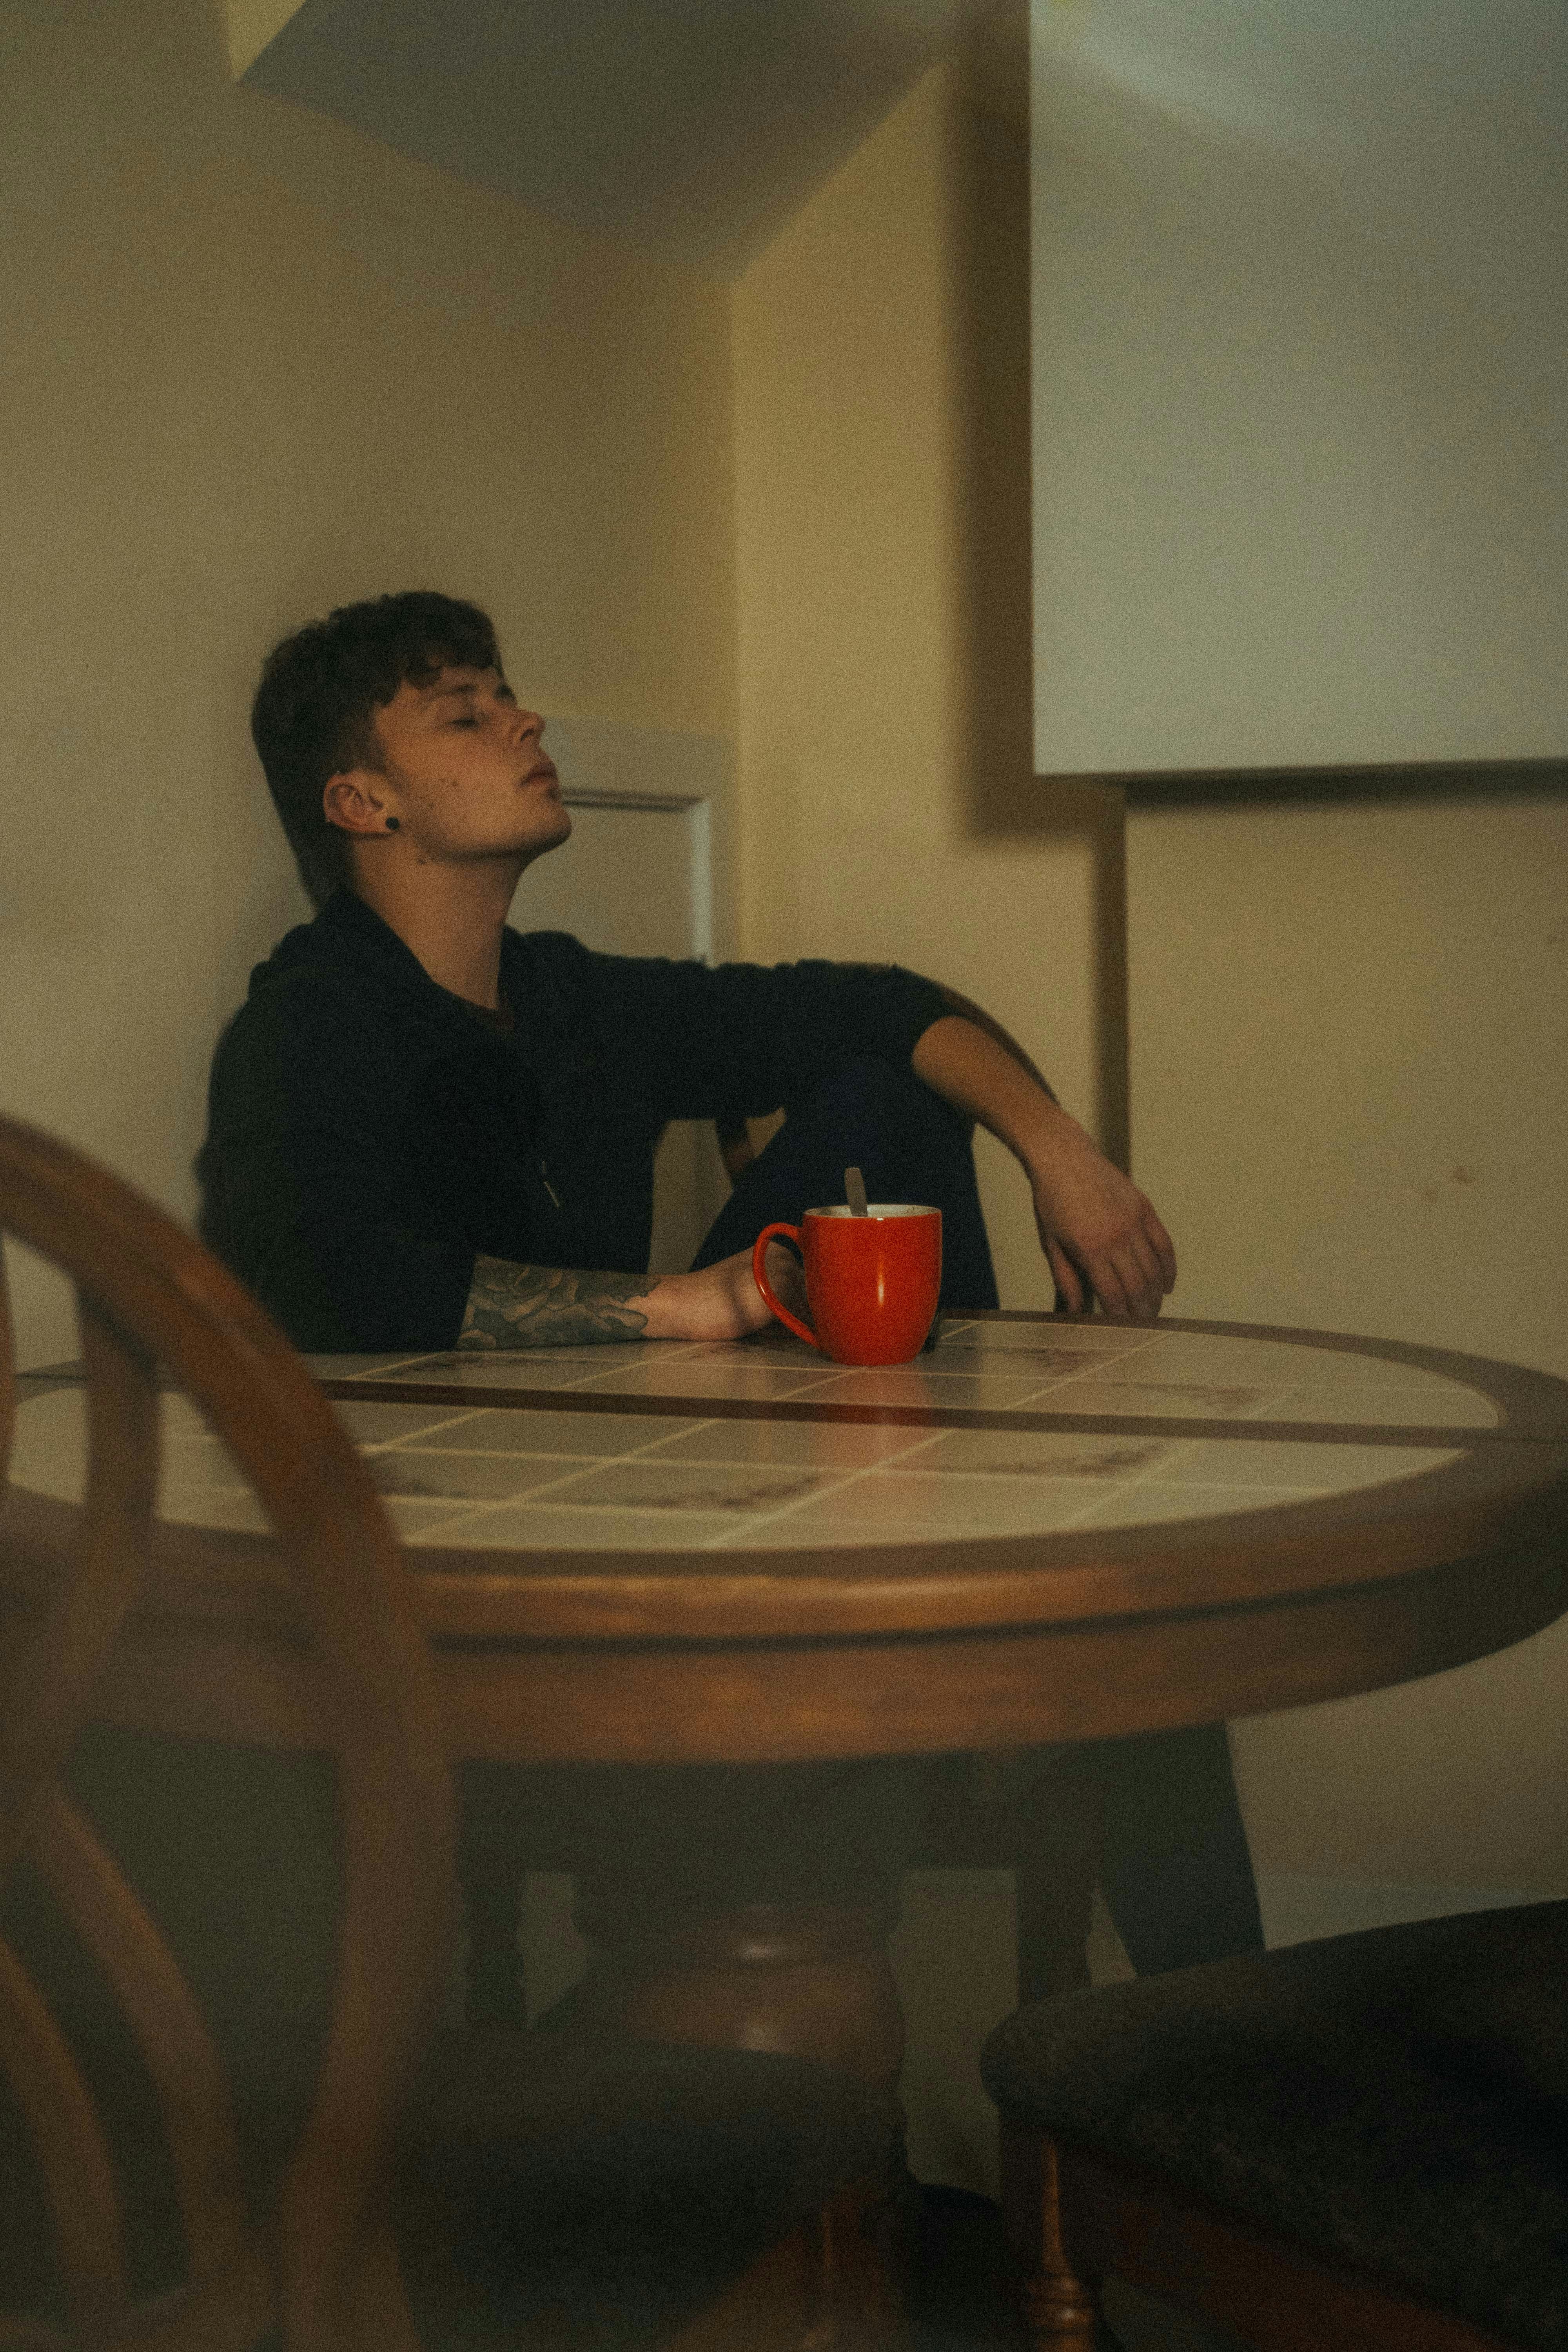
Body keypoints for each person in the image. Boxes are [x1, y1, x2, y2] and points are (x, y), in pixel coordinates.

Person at [196, 591, 1259, 1989]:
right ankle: (970, 1670)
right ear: (363, 801)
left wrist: (1062, 1153)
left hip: (646, 1486)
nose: (524, 721)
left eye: (507, 695)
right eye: (465, 712)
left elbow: (877, 999)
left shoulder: (565, 999)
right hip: (481, 1598)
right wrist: (673, 1310)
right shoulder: (311, 1020)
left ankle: (1209, 2040)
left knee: (1139, 1630)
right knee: (1104, 1657)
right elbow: (349, 1297)